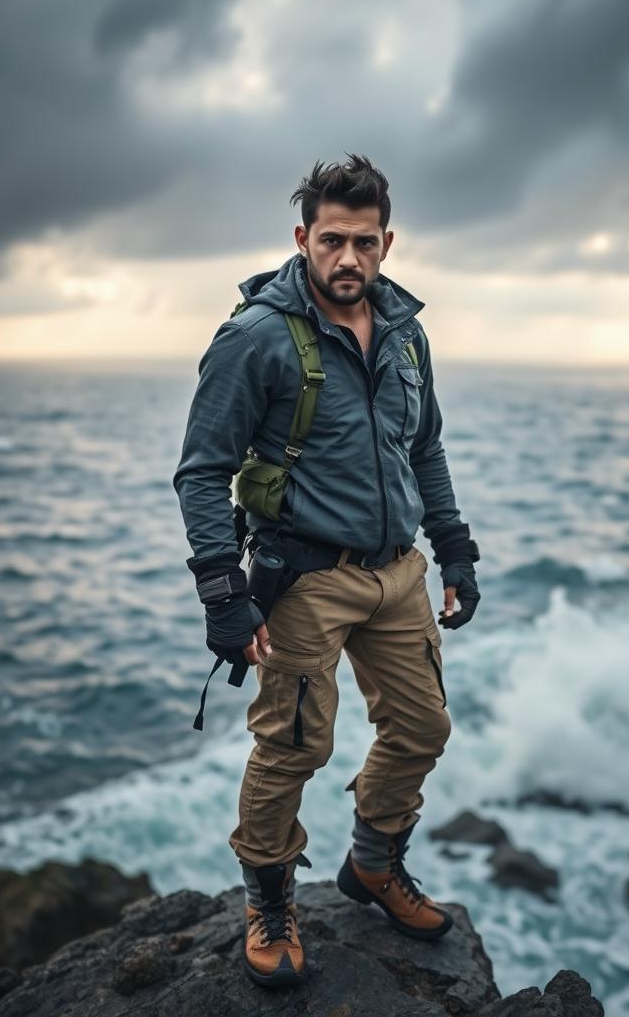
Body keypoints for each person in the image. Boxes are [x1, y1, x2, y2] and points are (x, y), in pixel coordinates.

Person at [172, 154, 481, 988]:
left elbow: (425, 448)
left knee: (424, 729)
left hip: (398, 573)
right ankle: (270, 901)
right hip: (305, 577)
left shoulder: (408, 333)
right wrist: (222, 597)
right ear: (303, 237)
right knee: (293, 749)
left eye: (367, 242)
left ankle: (374, 864)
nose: (350, 259)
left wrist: (454, 550)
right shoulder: (256, 338)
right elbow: (202, 471)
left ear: (388, 243)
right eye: (333, 240)